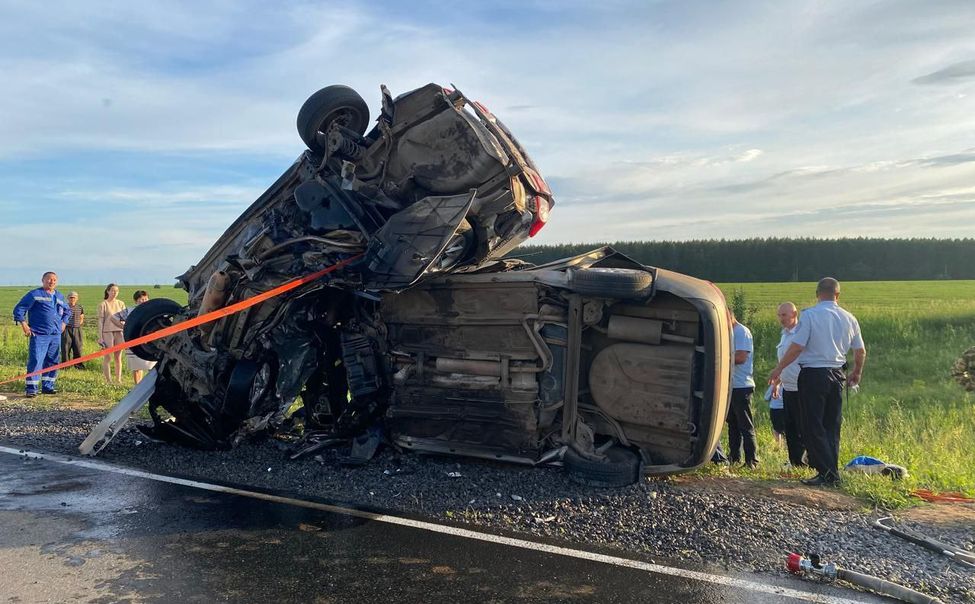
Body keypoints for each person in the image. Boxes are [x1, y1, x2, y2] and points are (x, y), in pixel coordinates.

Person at [769, 278, 866, 486]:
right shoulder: (850, 318)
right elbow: (860, 351)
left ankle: (827, 473)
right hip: (837, 374)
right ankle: (831, 471)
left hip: (813, 374)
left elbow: (797, 347)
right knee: (832, 424)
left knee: (812, 425)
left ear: (817, 293)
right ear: (838, 295)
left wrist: (779, 368)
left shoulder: (810, 315)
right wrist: (857, 373)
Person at [12, 272, 72, 397]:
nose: (52, 282)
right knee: (36, 360)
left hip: (55, 334)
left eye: (54, 280)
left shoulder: (59, 296)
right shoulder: (35, 294)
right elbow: (19, 309)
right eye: (49, 279)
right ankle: (31, 388)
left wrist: (64, 323)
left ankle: (48, 386)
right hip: (39, 334)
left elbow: (67, 311)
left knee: (52, 360)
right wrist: (24, 325)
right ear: (43, 280)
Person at [771, 302, 806, 467]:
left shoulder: (801, 334)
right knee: (790, 426)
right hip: (788, 386)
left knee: (802, 425)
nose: (781, 319)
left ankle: (808, 460)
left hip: (802, 386)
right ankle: (795, 461)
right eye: (779, 315)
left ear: (794, 313)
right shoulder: (784, 334)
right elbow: (784, 362)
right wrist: (778, 382)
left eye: (784, 315)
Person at [727, 312, 758, 467]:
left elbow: (741, 357)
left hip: (742, 385)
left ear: (730, 315)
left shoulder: (741, 332)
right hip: (731, 385)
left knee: (745, 424)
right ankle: (734, 457)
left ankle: (752, 459)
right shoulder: (730, 332)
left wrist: (720, 357)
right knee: (732, 423)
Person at [114, 290, 155, 384]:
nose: (143, 301)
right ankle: (137, 386)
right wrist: (125, 327)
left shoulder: (152, 309)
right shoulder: (130, 310)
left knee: (151, 366)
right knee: (137, 367)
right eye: (141, 299)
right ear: (136, 301)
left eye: (145, 299)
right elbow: (114, 318)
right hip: (134, 340)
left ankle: (151, 386)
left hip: (150, 342)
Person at [97, 283, 126, 384]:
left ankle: (118, 379)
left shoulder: (121, 303)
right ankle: (108, 380)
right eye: (113, 290)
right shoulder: (103, 304)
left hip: (119, 331)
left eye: (116, 291)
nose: (114, 293)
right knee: (108, 356)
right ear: (108, 291)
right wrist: (100, 337)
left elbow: (124, 318)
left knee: (118, 356)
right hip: (107, 331)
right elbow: (100, 321)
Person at [61, 291, 86, 367]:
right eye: (71, 297)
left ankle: (78, 365)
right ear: (68, 298)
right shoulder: (64, 307)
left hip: (77, 329)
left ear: (77, 298)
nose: (72, 299)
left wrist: (79, 324)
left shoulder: (80, 307)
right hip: (66, 329)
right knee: (65, 347)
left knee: (78, 347)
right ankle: (65, 366)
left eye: (74, 297)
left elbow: (82, 317)